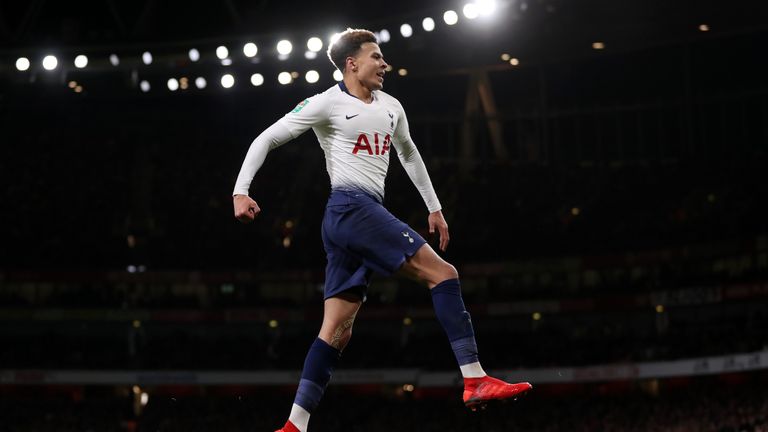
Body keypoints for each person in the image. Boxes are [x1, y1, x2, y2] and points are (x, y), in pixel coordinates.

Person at [232, 28, 532, 432]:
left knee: (336, 331)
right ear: (351, 64)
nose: (384, 63)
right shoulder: (325, 104)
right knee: (444, 274)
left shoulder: (391, 106)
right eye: (376, 56)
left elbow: (408, 152)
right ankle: (475, 378)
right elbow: (266, 138)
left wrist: (435, 208)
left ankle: (294, 426)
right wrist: (240, 191)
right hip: (350, 208)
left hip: (350, 219)